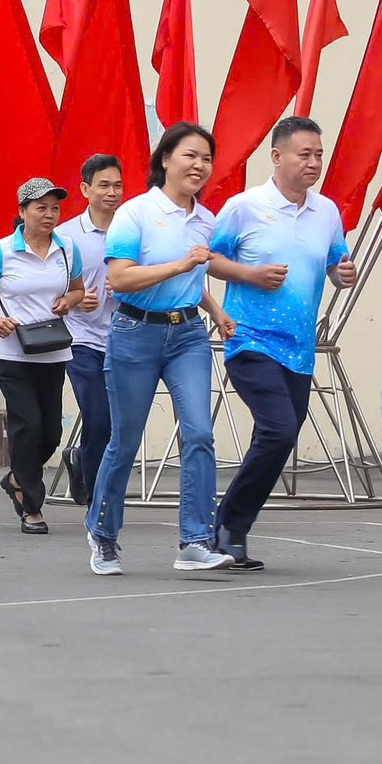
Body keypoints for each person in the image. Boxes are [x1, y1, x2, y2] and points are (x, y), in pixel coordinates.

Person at [206, 116, 357, 571]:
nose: (314, 163)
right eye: (304, 154)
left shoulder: (327, 212)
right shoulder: (244, 207)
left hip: (299, 348)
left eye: (318, 154)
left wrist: (341, 274)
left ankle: (228, 527)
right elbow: (206, 259)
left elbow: (335, 263)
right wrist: (250, 275)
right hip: (249, 340)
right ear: (277, 156)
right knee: (279, 430)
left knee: (279, 437)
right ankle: (229, 527)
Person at [90, 121, 234, 577]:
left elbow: (193, 276)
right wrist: (181, 264)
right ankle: (104, 536)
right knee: (125, 440)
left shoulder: (207, 220)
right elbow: (120, 279)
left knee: (199, 433)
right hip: (135, 334)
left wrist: (213, 308)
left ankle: (195, 541)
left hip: (188, 334)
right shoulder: (135, 214)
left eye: (207, 158)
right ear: (166, 159)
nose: (200, 165)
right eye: (190, 155)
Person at [0, 178, 85, 535]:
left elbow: (79, 289)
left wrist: (69, 301)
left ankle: (16, 478)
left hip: (52, 352)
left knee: (51, 432)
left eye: (54, 208)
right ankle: (31, 506)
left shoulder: (68, 249)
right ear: (22, 212)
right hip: (12, 353)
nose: (49, 215)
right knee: (27, 425)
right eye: (41, 207)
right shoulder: (2, 251)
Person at [54, 154, 123, 508]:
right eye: (104, 185)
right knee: (98, 415)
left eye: (117, 186)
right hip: (80, 339)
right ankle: (100, 498)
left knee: (116, 422)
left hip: (124, 339)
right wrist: (74, 299)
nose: (112, 193)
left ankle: (83, 460)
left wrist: (129, 288)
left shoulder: (130, 230)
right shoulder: (66, 236)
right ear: (85, 189)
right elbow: (46, 285)